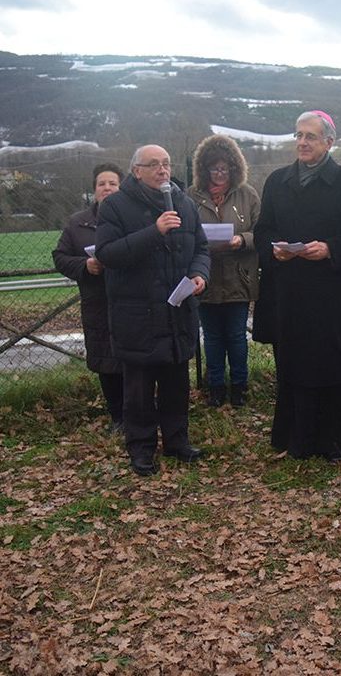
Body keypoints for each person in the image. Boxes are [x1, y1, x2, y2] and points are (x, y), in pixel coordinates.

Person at [253, 110, 341, 462]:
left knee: (332, 364)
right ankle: (298, 438)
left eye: (310, 136)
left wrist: (330, 248)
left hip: (331, 293)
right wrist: (274, 250)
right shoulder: (277, 181)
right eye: (298, 136)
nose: (302, 142)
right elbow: (264, 229)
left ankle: (336, 441)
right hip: (289, 291)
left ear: (329, 142)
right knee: (294, 363)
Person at [95, 144, 210, 476]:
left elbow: (200, 248)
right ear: (136, 171)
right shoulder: (115, 207)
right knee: (139, 391)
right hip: (137, 316)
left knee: (176, 384)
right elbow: (107, 254)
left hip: (177, 312)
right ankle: (142, 449)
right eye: (154, 165)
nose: (163, 170)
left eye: (166, 164)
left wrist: (199, 274)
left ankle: (177, 441)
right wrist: (154, 231)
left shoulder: (184, 204)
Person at [188, 134, 261, 408]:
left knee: (236, 336)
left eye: (224, 168)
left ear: (234, 167)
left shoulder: (247, 194)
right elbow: (186, 232)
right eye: (213, 168)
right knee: (213, 338)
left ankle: (239, 387)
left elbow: (261, 231)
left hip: (238, 277)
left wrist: (242, 240)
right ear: (203, 168)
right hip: (204, 278)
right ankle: (215, 388)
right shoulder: (192, 197)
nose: (219, 173)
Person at [52, 163, 125, 432]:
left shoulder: (133, 218)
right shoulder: (78, 223)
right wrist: (85, 266)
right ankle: (117, 417)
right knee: (106, 361)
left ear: (122, 187)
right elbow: (60, 257)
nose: (107, 188)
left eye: (113, 183)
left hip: (131, 301)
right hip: (97, 302)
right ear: (94, 189)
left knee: (134, 360)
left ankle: (139, 414)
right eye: (101, 184)